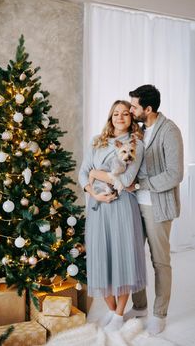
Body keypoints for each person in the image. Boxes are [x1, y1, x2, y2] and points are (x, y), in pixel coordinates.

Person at [78, 100, 146, 332]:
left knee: (122, 256)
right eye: (116, 113)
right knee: (99, 256)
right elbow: (83, 172)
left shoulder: (136, 144)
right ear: (110, 117)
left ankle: (119, 314)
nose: (120, 117)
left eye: (125, 113)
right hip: (98, 206)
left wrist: (98, 173)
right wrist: (92, 192)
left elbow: (126, 181)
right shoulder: (97, 141)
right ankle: (110, 308)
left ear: (131, 118)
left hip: (123, 207)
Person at [123, 84, 184, 335]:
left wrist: (140, 184)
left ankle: (160, 314)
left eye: (134, 106)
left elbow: (175, 174)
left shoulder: (169, 131)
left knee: (160, 261)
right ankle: (139, 307)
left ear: (148, 109)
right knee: (135, 258)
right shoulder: (137, 130)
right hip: (134, 204)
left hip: (157, 206)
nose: (130, 109)